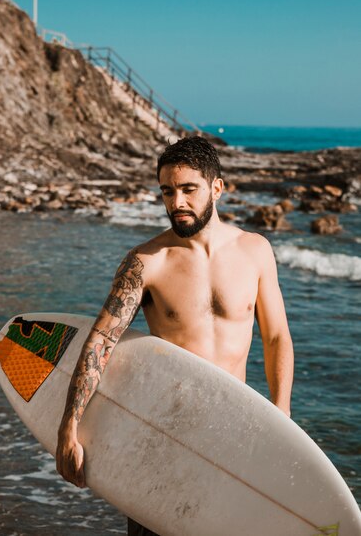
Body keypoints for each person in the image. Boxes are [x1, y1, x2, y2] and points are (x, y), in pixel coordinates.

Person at [56, 135, 294, 536]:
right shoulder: (146, 262)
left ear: (217, 188)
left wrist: (281, 413)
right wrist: (69, 425)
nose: (176, 203)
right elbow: (101, 341)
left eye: (188, 189)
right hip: (164, 431)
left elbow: (276, 338)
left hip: (235, 429)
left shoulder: (255, 251)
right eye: (168, 191)